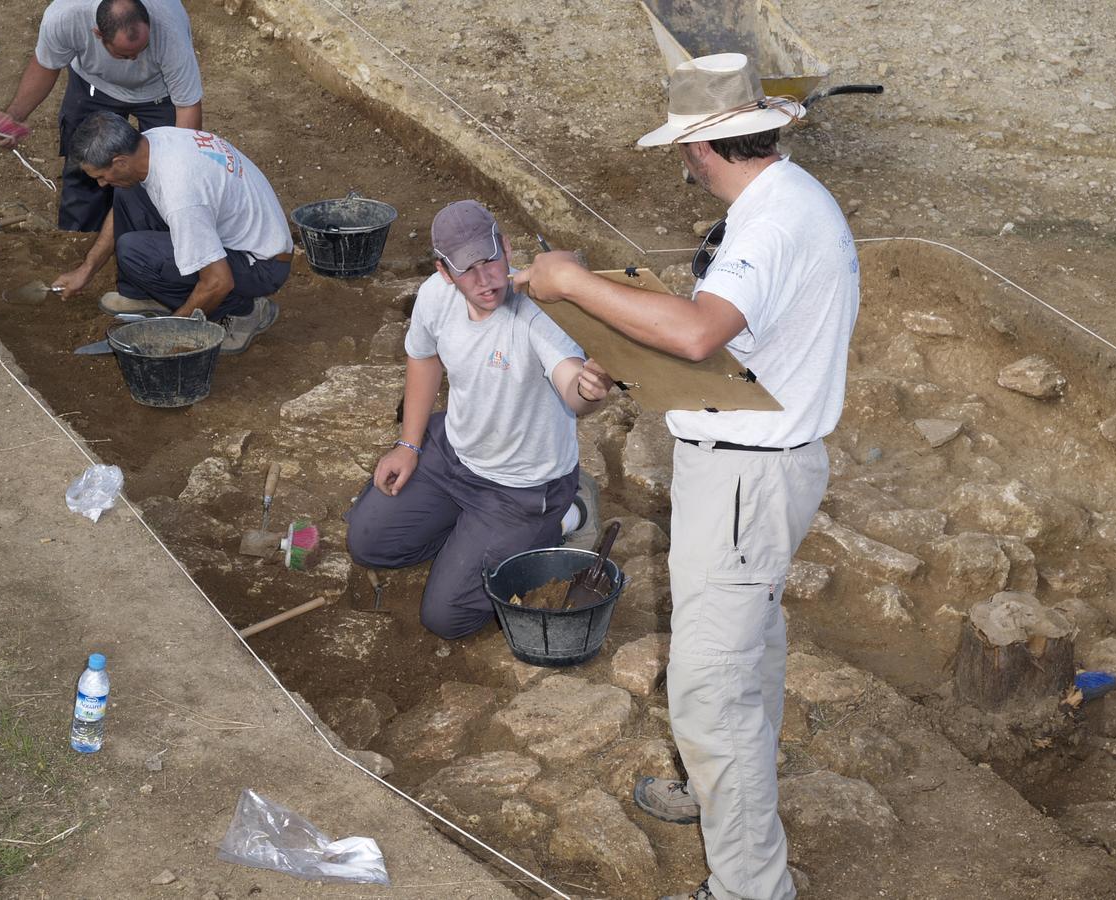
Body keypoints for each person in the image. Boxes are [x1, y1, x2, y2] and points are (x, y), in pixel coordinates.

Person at [514, 53, 860, 900]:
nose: (682, 160)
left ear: (704, 147)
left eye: (683, 145)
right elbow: (735, 347)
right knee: (750, 652)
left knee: (710, 690)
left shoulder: (773, 221)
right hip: (752, 465)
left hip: (747, 479)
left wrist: (573, 284)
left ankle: (748, 886)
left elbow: (703, 335)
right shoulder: (783, 201)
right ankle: (725, 799)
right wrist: (628, 357)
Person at [344, 200, 613, 640]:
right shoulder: (436, 294)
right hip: (453, 455)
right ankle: (473, 535)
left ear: (506, 247)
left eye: (490, 260)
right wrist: (409, 444)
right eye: (466, 270)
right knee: (369, 544)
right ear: (445, 272)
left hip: (522, 487)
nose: (484, 278)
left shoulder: (536, 312)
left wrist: (587, 389)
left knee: (446, 618)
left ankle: (568, 513)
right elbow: (423, 355)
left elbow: (570, 384)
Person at [54, 111, 292, 354]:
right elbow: (121, 206)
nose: (101, 184)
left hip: (262, 265)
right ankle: (142, 293)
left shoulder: (181, 194)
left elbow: (218, 282)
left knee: (136, 253)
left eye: (101, 176)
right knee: (127, 190)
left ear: (120, 161)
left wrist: (170, 334)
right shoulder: (152, 141)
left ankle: (244, 312)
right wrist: (86, 269)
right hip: (247, 236)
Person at [0, 0, 203, 232]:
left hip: (160, 91)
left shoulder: (170, 28)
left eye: (142, 49)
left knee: (161, 171)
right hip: (94, 84)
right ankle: (77, 238)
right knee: (87, 167)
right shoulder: (65, 17)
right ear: (98, 34)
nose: (134, 60)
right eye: (125, 54)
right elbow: (46, 66)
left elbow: (187, 106)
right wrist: (14, 116)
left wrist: (180, 164)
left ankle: (149, 242)